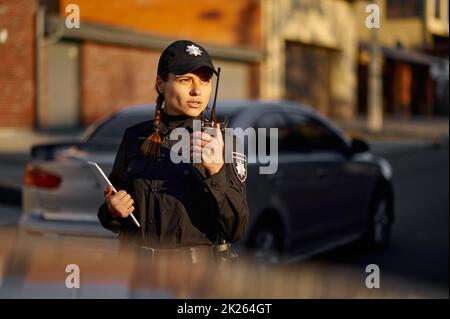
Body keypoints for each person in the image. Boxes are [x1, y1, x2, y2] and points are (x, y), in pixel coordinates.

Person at [97, 40, 249, 263]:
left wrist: (216, 171)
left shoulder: (223, 142)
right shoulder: (134, 137)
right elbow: (113, 212)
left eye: (205, 81)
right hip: (135, 274)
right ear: (160, 84)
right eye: (185, 80)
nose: (197, 90)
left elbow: (236, 229)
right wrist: (113, 211)